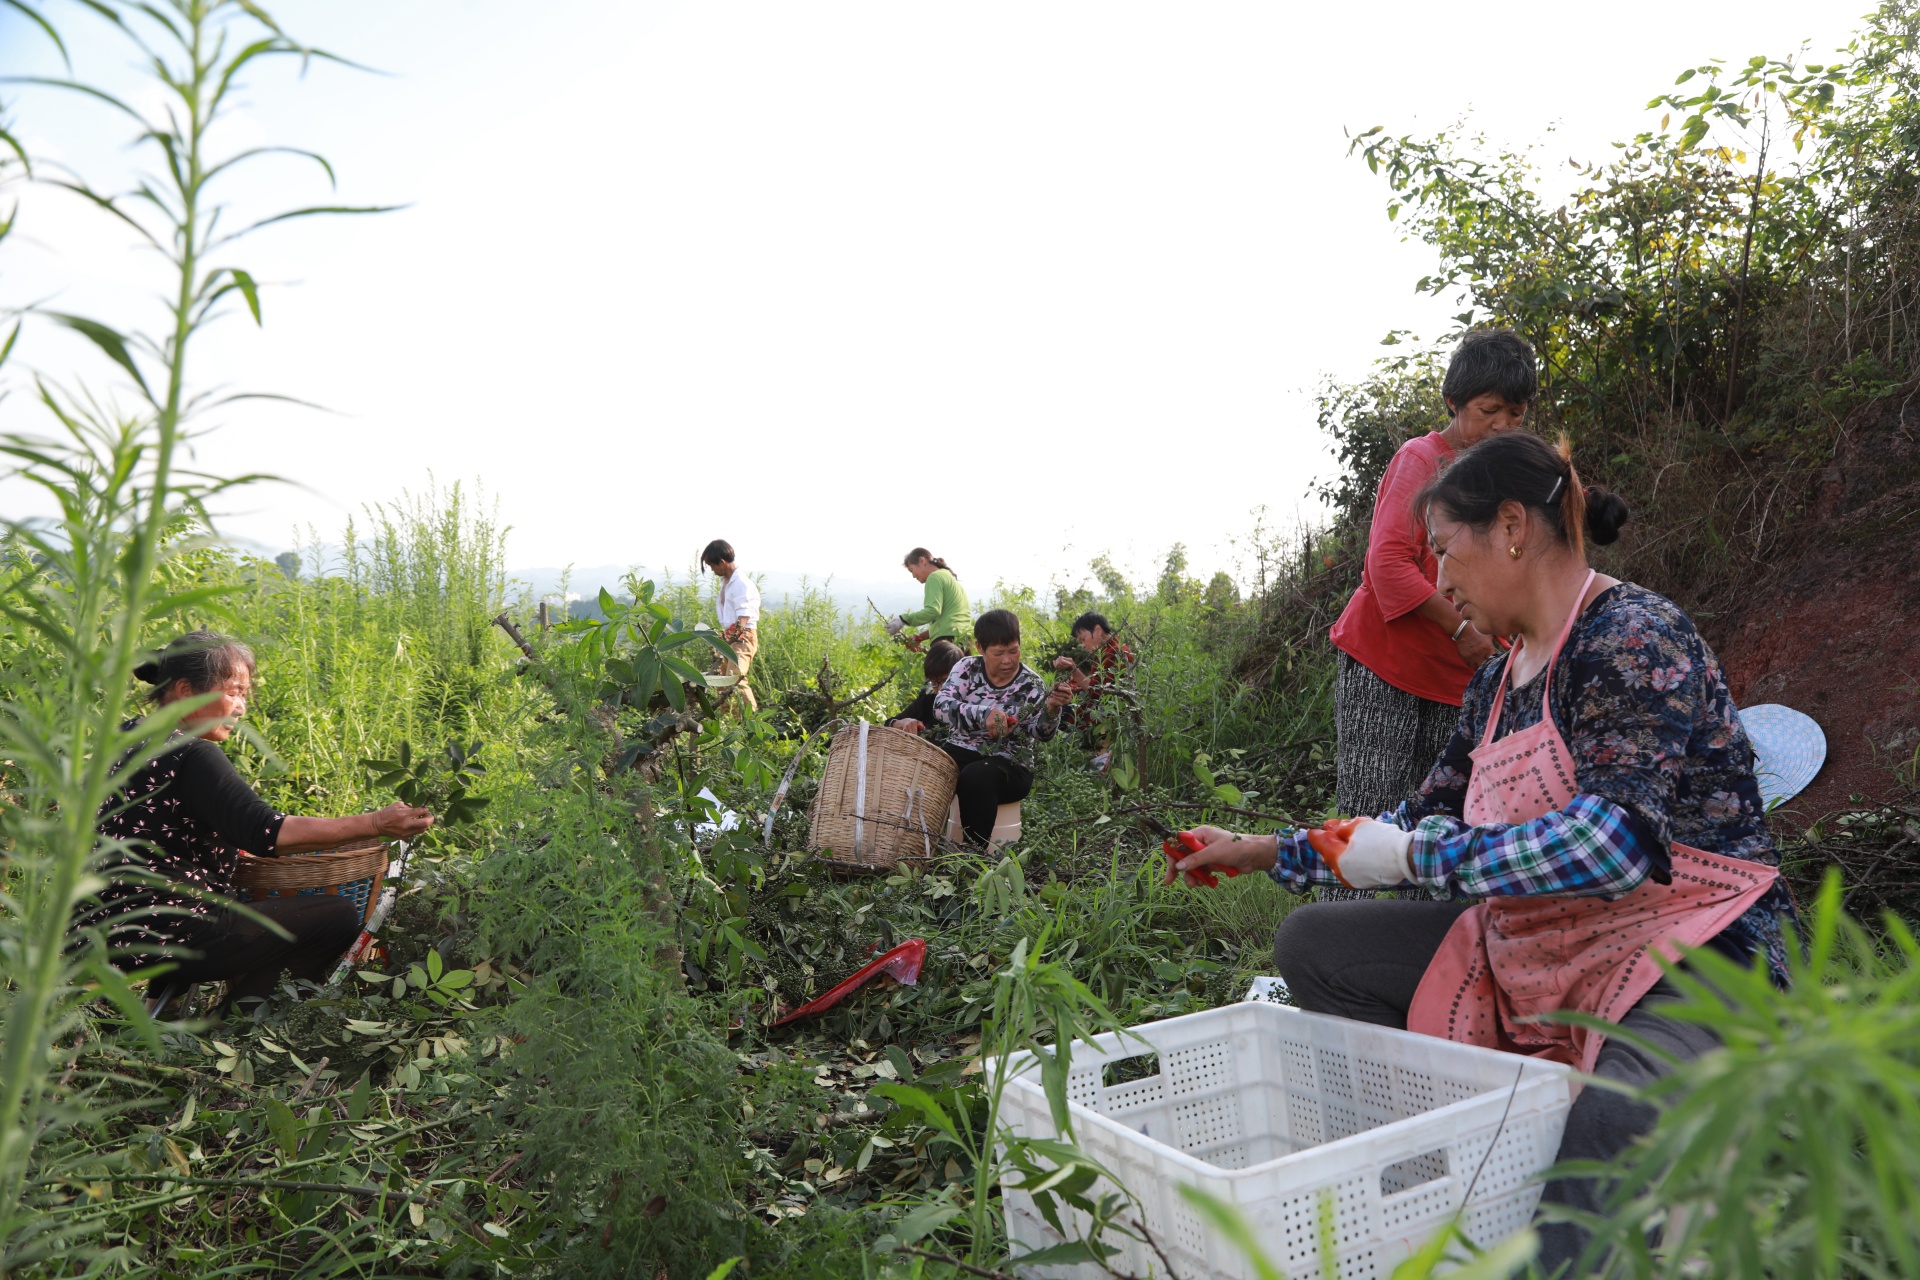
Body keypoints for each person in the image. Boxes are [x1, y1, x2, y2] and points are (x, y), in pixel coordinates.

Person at [1160, 434, 1795, 1273]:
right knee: (1317, 947)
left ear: (1510, 529)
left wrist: (1419, 861)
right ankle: (1433, 1172)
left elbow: (1616, 845)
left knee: (1613, 1113)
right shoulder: (1496, 685)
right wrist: (1259, 850)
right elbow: (1413, 821)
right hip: (1544, 945)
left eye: (1446, 552)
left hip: (1684, 951)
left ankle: (1559, 1252)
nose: (1440, 581)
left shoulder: (1633, 638)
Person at [91, 632, 436, 1012]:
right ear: (187, 691)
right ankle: (227, 1026)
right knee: (334, 916)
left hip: (102, 926)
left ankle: (162, 1010)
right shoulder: (192, 753)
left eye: (244, 695)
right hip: (166, 933)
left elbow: (158, 825)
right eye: (234, 691)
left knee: (198, 891)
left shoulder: (126, 736)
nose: (240, 708)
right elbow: (266, 832)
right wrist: (375, 823)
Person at [1322, 329, 1533, 900]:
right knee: (1365, 825)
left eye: (1513, 415)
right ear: (1454, 403)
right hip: (1384, 667)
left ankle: (1415, 976)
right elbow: (1386, 565)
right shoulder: (1422, 460)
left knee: (1435, 838)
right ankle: (1330, 967)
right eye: (1488, 410)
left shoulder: (1504, 488)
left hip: (1455, 683)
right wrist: (1463, 629)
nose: (1500, 426)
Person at [934, 610, 1072, 846]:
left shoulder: (1032, 683)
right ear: (980, 648)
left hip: (1010, 763)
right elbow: (940, 707)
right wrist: (984, 716)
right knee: (928, 766)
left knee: (977, 776)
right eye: (998, 653)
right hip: (961, 750)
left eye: (1013, 651)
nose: (1007, 660)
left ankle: (972, 856)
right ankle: (919, 843)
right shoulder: (966, 669)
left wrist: (1051, 709)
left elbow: (1042, 734)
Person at [1050, 611, 1134, 767]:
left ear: (1097, 630)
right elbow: (1093, 683)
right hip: (1097, 714)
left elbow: (1097, 689)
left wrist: (1073, 669)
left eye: (1083, 639)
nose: (1082, 644)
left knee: (1061, 714)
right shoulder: (1105, 651)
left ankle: (1091, 760)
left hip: (1106, 718)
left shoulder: (1117, 652)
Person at [702, 539, 761, 714]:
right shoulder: (727, 583)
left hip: (742, 636)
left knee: (735, 679)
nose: (713, 571)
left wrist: (734, 634)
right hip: (731, 635)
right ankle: (731, 720)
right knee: (722, 681)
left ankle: (752, 723)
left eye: (713, 566)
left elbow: (744, 615)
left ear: (722, 562)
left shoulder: (741, 583)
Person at [887, 549, 971, 651]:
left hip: (946, 643)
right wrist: (920, 637)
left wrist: (903, 619)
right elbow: (948, 622)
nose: (913, 576)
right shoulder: (949, 578)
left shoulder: (934, 577)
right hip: (964, 640)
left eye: (911, 570)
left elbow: (933, 611)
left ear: (922, 561)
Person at [887, 639, 964, 739]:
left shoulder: (975, 706)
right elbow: (888, 724)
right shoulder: (927, 704)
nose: (940, 689)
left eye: (945, 681)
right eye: (934, 682)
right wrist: (901, 723)